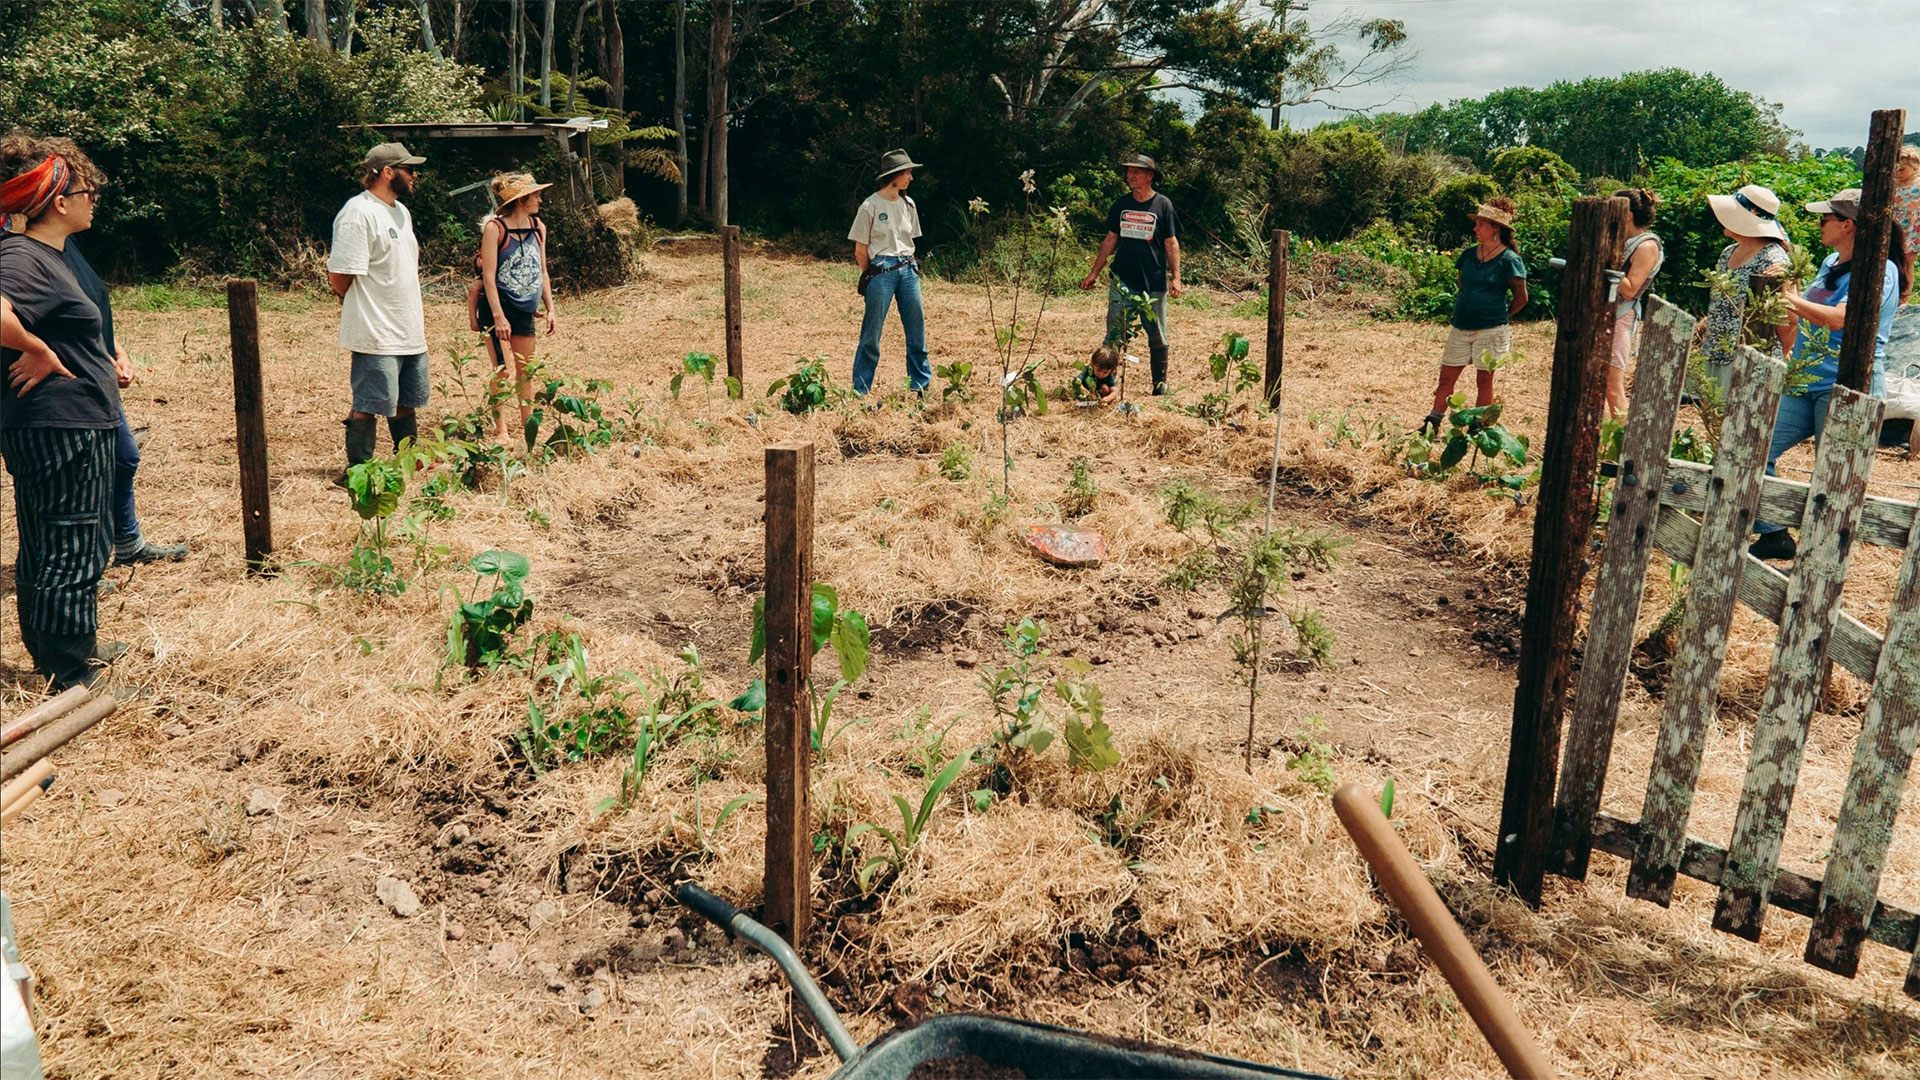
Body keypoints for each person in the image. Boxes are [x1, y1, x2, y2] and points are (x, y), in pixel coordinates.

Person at [0, 137, 128, 689]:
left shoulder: (50, 256)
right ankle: (65, 671)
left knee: (80, 540)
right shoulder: (23, 257)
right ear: (57, 202)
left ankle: (76, 641)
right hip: (58, 427)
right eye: (85, 188)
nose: (92, 196)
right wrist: (36, 349)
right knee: (64, 546)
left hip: (78, 421)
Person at [1748, 189, 1908, 562]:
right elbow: (1811, 309)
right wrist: (1790, 290)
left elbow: (1839, 320)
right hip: (1806, 379)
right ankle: (1773, 535)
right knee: (1757, 445)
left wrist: (1787, 295)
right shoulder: (1831, 260)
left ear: (1848, 225)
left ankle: (1823, 555)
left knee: (1834, 475)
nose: (1819, 224)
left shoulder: (1879, 270)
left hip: (1847, 383)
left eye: (1825, 218)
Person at [327, 142, 428, 484]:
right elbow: (340, 275)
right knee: (370, 401)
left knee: (405, 401)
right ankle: (357, 471)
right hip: (376, 329)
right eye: (409, 169)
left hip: (407, 327)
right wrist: (360, 307)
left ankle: (408, 463)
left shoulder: (400, 212)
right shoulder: (358, 213)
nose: (415, 175)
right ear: (387, 172)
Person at [1421, 198, 1527, 436]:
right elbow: (1463, 284)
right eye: (1476, 223)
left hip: (1491, 329)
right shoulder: (1468, 255)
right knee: (1446, 378)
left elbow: (1521, 298)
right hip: (1461, 326)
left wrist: (1501, 316)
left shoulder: (1509, 260)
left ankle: (1479, 427)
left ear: (1495, 228)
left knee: (1484, 380)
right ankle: (1433, 422)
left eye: (1481, 224)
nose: (1475, 228)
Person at [1080, 154, 1182, 395]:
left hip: (1153, 284)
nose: (1130, 175)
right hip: (1122, 281)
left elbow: (1171, 243)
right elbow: (1110, 239)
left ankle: (1160, 387)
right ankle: (1104, 386)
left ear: (1149, 176)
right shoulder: (1121, 204)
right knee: (1114, 335)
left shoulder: (1163, 205)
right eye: (1128, 171)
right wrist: (1095, 272)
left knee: (1157, 336)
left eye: (1136, 172)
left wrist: (1176, 277)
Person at [476, 172, 556, 441]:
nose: (540, 199)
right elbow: (488, 275)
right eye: (535, 195)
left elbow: (542, 271)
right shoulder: (494, 229)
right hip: (498, 307)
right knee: (504, 370)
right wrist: (498, 317)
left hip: (524, 308)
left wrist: (550, 308)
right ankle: (500, 428)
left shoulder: (537, 227)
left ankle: (528, 424)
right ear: (521, 200)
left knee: (526, 371)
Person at [1697, 184, 1794, 398]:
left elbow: (1787, 318)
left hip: (1751, 360)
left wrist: (1783, 355)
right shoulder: (1728, 253)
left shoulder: (1773, 259)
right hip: (1716, 352)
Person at [848, 149, 929, 397]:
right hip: (881, 270)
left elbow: (910, 238)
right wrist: (873, 273)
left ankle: (920, 387)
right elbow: (860, 250)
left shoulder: (909, 204)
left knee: (916, 332)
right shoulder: (870, 206)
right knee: (871, 335)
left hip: (908, 269)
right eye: (908, 173)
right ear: (894, 176)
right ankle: (860, 390)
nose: (911, 178)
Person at [1605, 188, 1663, 421]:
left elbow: (1630, 289)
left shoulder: (1646, 245)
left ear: (1627, 214)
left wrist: (1603, 264)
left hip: (1620, 317)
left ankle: (1623, 447)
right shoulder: (1623, 240)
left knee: (1613, 388)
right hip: (1606, 315)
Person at [1881, 145, 1920, 449]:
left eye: (1904, 168)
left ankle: (1905, 295)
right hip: (1897, 229)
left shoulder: (1917, 188)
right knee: (1894, 262)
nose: (1900, 172)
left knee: (1908, 262)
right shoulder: (1893, 188)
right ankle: (1898, 294)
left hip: (1912, 229)